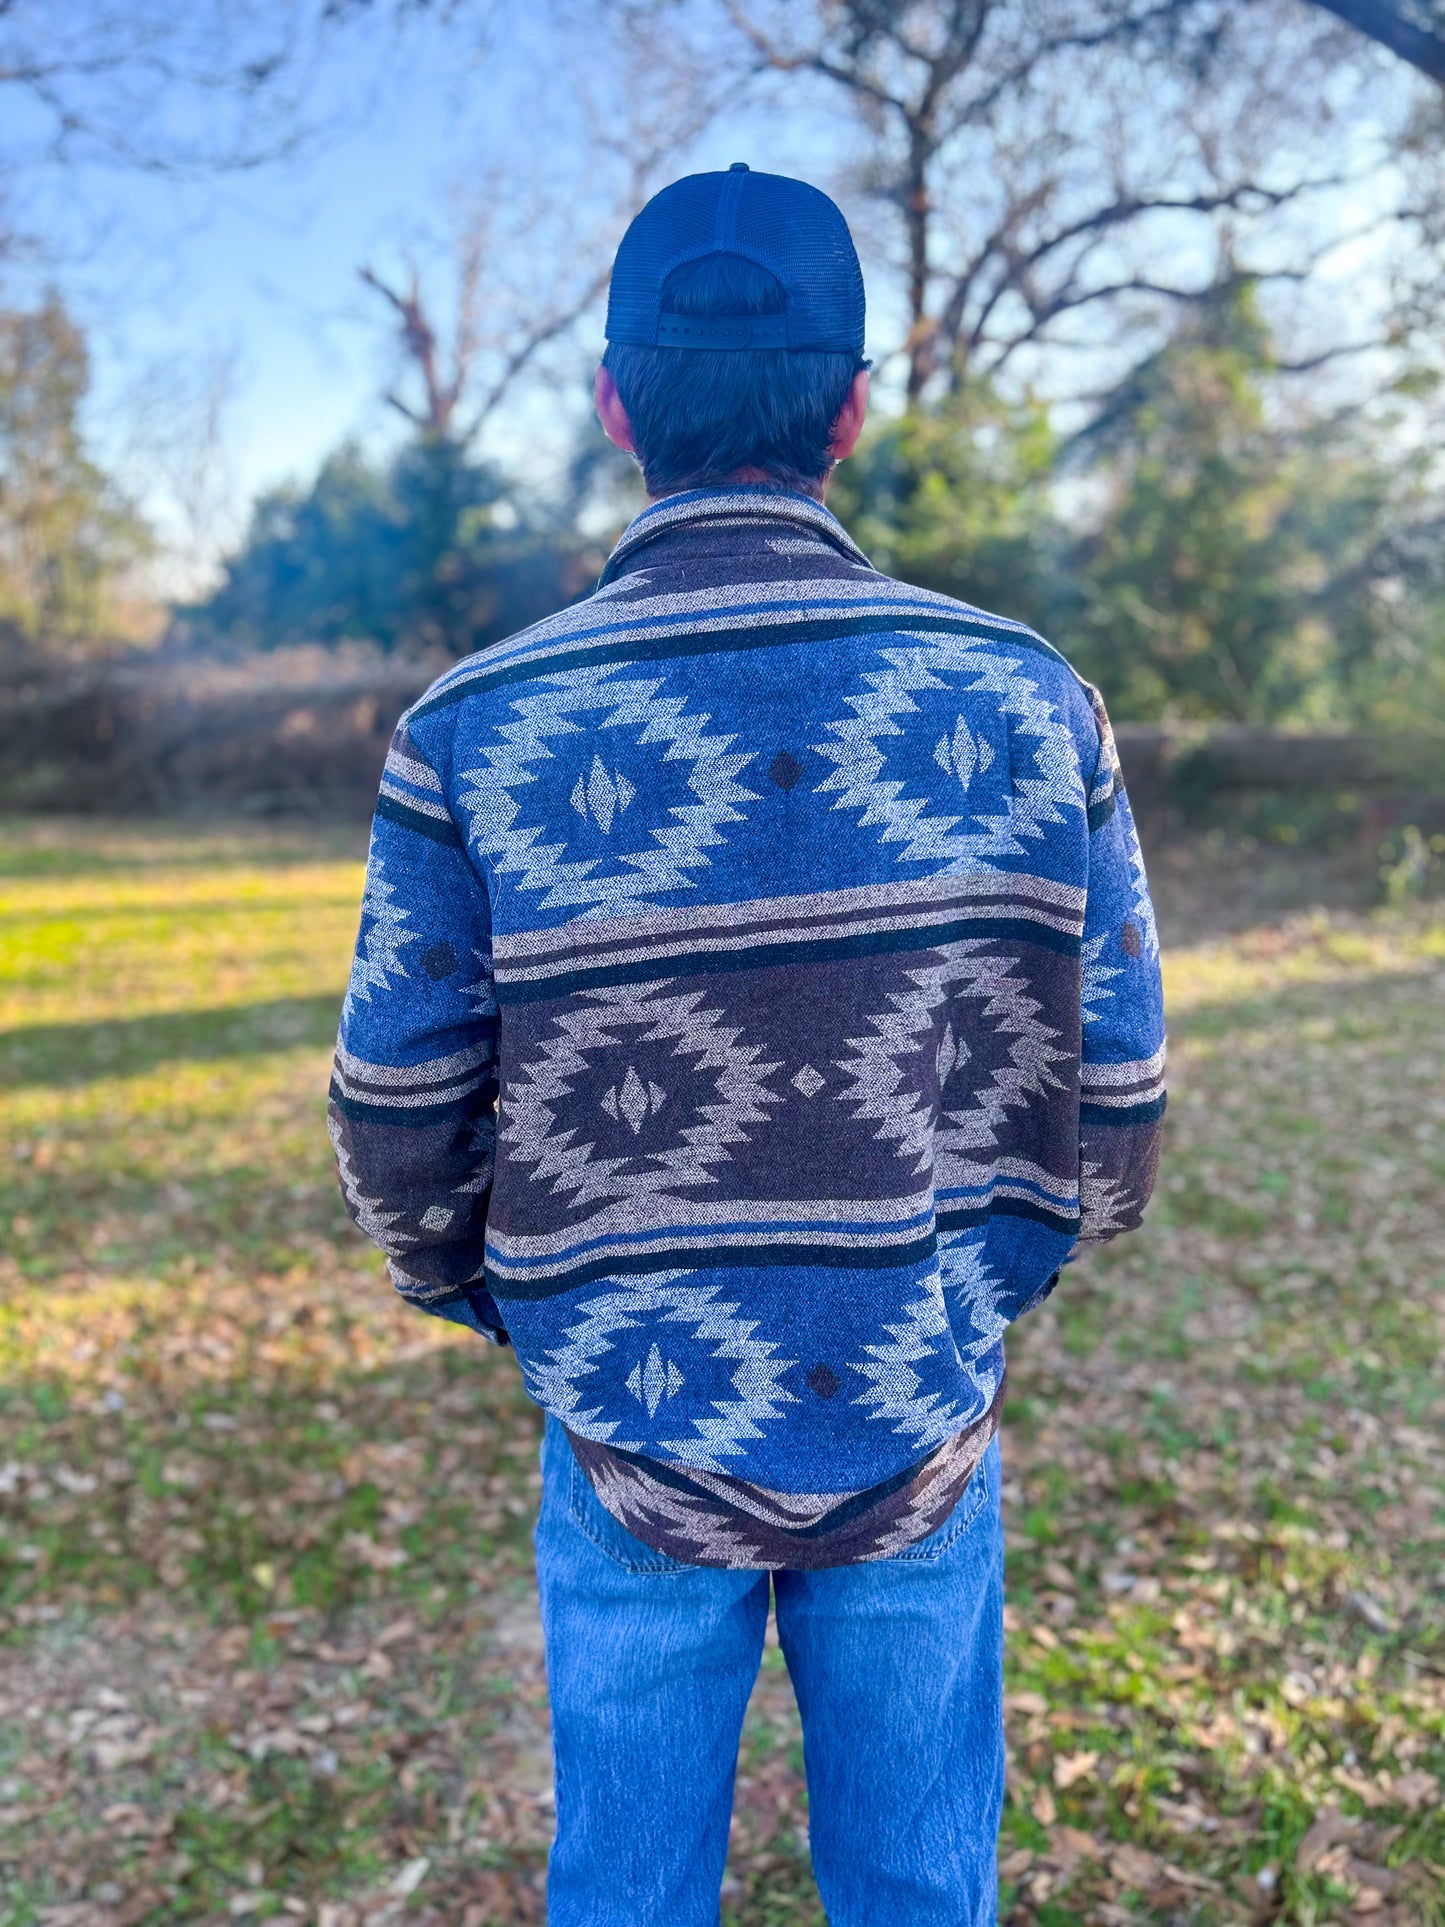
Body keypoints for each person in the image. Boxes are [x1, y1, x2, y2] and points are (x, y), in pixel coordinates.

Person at [330, 164, 1165, 1927]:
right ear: (853, 408)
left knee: (624, 1896)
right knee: (922, 1891)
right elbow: (1116, 1090)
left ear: (615, 402)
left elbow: (398, 1111)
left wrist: (523, 1304)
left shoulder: (474, 727)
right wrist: (962, 1289)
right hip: (920, 1401)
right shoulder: (1027, 698)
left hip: (625, 1411)